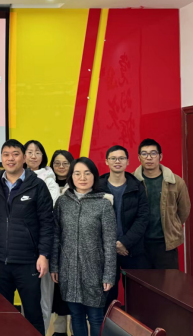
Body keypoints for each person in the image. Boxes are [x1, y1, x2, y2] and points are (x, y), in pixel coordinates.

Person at [0, 139, 53, 336]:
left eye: (15, 154)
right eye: (6, 154)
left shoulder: (37, 186)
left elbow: (47, 223)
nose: (10, 158)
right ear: (1, 158)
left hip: (28, 261)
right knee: (1, 313)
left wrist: (44, 255)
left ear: (24, 158)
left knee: (33, 314)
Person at [51, 157, 117, 336]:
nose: (82, 178)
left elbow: (109, 243)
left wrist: (109, 274)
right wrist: (54, 266)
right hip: (68, 270)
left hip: (95, 271)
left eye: (87, 173)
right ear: (71, 177)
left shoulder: (103, 204)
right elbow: (56, 236)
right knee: (76, 315)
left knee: (95, 317)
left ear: (94, 176)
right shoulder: (62, 203)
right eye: (77, 173)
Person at [100, 145, 149, 312]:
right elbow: (92, 220)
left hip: (132, 250)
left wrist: (124, 242)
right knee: (107, 297)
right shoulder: (97, 187)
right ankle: (106, 326)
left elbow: (143, 218)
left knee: (136, 298)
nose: (117, 161)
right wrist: (113, 244)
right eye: (113, 158)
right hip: (106, 252)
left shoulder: (137, 186)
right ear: (106, 161)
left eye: (121, 158)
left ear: (128, 162)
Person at [133, 138, 191, 269]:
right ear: (139, 157)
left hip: (166, 245)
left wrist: (172, 224)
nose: (149, 157)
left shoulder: (176, 181)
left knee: (169, 281)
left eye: (153, 153)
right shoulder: (132, 182)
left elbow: (184, 210)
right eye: (144, 154)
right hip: (139, 244)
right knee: (141, 281)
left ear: (160, 156)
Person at [21, 140, 60, 334]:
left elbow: (47, 210)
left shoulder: (49, 180)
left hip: (43, 244)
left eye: (37, 152)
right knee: (26, 297)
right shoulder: (16, 177)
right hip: (22, 247)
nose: (33, 156)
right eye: (29, 152)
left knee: (44, 297)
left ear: (43, 156)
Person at [49, 149, 74, 336]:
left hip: (72, 245)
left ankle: (74, 329)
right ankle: (59, 330)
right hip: (52, 243)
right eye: (57, 163)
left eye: (65, 163)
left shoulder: (78, 184)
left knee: (71, 289)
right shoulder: (45, 184)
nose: (61, 166)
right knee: (55, 288)